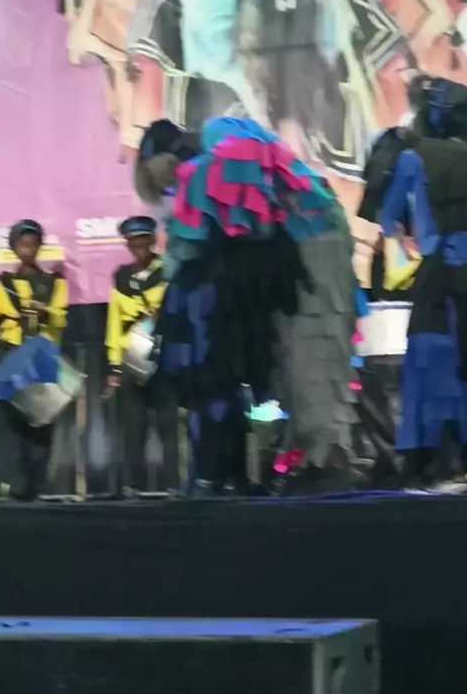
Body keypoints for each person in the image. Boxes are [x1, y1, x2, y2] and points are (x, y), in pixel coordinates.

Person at [135, 117, 359, 495]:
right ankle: (310, 459)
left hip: (311, 253)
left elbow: (205, 233)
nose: (175, 193)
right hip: (297, 256)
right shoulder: (221, 154)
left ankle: (325, 460)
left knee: (310, 355)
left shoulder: (217, 146)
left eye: (170, 186)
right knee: (292, 358)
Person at [363, 76, 467, 491]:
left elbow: (387, 217)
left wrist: (412, 238)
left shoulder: (413, 157)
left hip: (438, 272)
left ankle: (436, 464)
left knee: (432, 361)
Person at [0, 220, 68, 500]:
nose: (28, 248)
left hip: (40, 357)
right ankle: (12, 482)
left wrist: (44, 313)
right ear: (13, 247)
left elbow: (61, 320)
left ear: (39, 246)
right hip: (10, 356)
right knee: (9, 423)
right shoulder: (2, 285)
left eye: (33, 243)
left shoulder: (55, 283)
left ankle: (36, 482)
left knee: (41, 420)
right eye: (22, 243)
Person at [105, 216, 174, 493]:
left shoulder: (168, 271)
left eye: (144, 240)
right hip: (131, 358)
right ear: (128, 245)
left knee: (168, 424)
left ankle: (173, 485)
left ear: (153, 240)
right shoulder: (121, 277)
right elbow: (114, 323)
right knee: (134, 427)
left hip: (163, 357)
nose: (139, 246)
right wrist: (114, 366)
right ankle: (133, 483)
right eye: (134, 242)